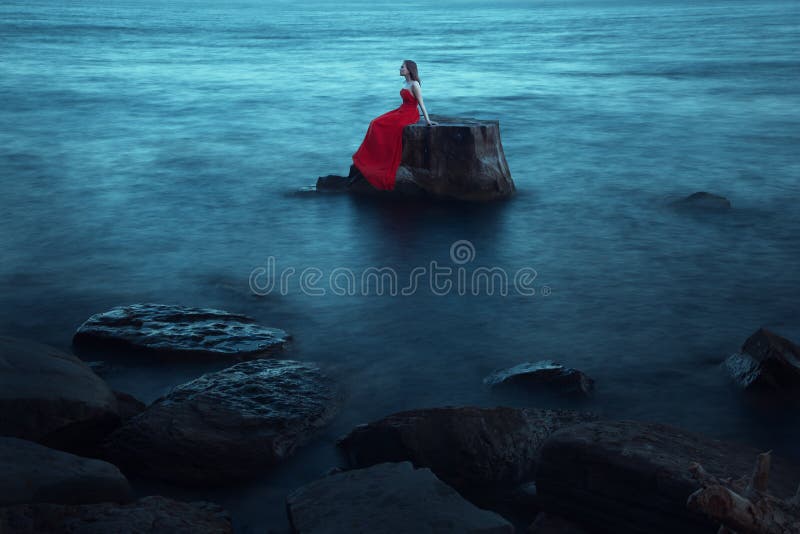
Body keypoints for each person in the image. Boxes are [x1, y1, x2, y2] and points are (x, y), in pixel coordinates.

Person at [351, 60, 437, 191]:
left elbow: (421, 103)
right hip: (401, 110)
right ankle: (373, 155)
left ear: (409, 70)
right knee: (375, 122)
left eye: (402, 67)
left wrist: (427, 120)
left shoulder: (415, 85)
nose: (400, 69)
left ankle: (383, 158)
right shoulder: (405, 83)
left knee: (386, 127)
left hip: (409, 114)